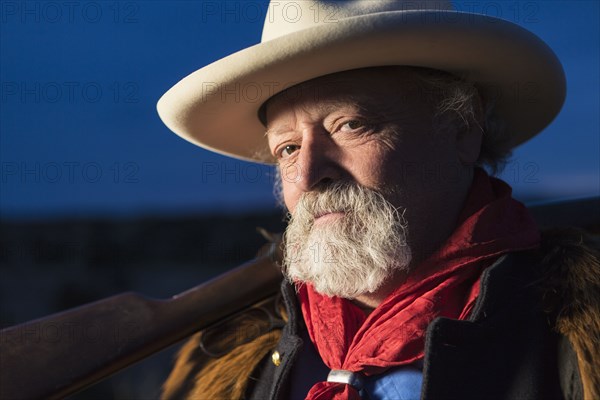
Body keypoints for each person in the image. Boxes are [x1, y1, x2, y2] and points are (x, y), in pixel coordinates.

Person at [156, 1, 599, 399]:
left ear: (463, 130)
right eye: (287, 148)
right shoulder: (237, 354)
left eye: (349, 124)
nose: (309, 175)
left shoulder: (577, 338)